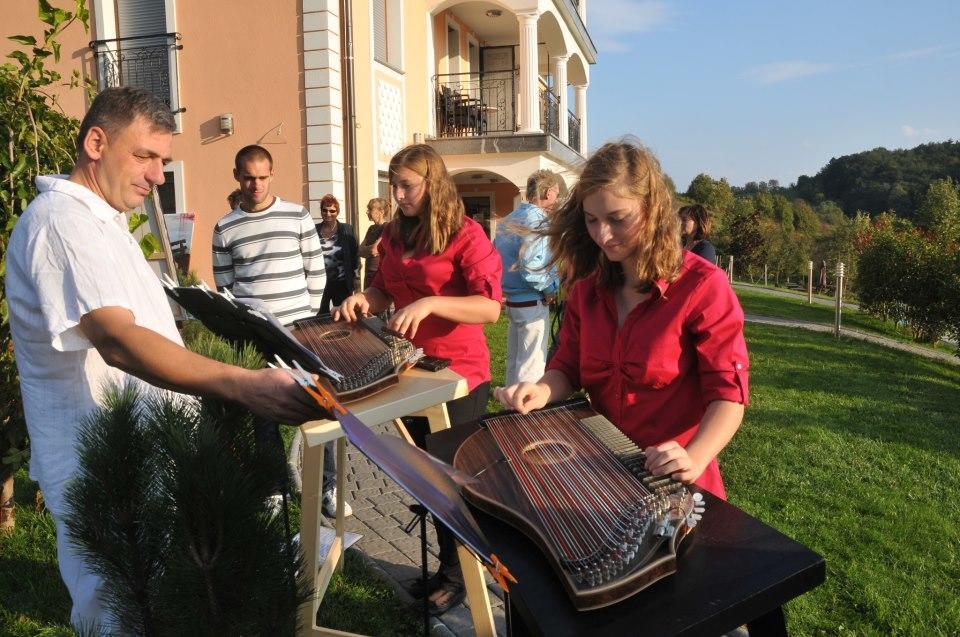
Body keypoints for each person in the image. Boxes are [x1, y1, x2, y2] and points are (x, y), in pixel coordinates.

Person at [4, 87, 321, 632]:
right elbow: (119, 340)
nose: (156, 175)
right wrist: (243, 385)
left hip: (137, 456)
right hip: (99, 472)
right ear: (96, 142)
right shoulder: (62, 222)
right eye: (144, 156)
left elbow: (147, 328)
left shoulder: (104, 219)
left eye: (163, 162)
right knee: (118, 618)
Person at [496, 140, 748, 501]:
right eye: (592, 220)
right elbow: (568, 367)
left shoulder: (703, 286)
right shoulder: (586, 286)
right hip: (603, 472)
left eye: (617, 219)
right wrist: (541, 390)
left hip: (678, 482)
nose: (603, 235)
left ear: (652, 210)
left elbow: (729, 395)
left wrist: (694, 456)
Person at [335, 144, 502, 615]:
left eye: (407, 185)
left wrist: (430, 303)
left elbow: (489, 307)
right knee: (423, 477)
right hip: (410, 370)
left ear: (433, 184)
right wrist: (364, 300)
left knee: (452, 482)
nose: (397, 194)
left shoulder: (465, 235)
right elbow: (385, 289)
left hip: (458, 374)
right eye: (394, 184)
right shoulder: (393, 234)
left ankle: (460, 576)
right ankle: (445, 568)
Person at [213, 145, 350, 517]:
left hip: (299, 331)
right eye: (247, 177)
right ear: (237, 176)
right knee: (264, 411)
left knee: (321, 406)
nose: (255, 185)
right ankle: (274, 487)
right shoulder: (225, 227)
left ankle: (329, 487)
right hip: (257, 336)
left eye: (261, 177)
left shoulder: (297, 216)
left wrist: (305, 320)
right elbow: (225, 287)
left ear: (272, 175)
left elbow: (315, 272)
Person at [494, 169, 562, 385]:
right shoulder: (538, 221)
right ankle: (524, 414)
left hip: (513, 301)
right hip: (532, 300)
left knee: (514, 363)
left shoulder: (510, 218)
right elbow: (531, 265)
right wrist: (549, 288)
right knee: (531, 367)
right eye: (557, 194)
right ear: (549, 192)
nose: (557, 200)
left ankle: (510, 411)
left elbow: (497, 257)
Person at [315, 194, 360, 314]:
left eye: (332, 211)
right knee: (320, 315)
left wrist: (356, 277)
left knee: (343, 314)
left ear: (337, 212)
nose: (328, 214)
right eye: (324, 210)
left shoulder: (346, 229)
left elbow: (355, 254)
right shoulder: (314, 230)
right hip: (320, 282)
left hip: (342, 282)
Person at [358, 197, 389, 289]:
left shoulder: (387, 227)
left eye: (370, 209)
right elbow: (359, 251)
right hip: (368, 274)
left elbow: (373, 250)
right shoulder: (371, 229)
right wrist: (369, 250)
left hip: (379, 274)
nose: (367, 212)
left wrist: (367, 250)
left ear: (381, 212)